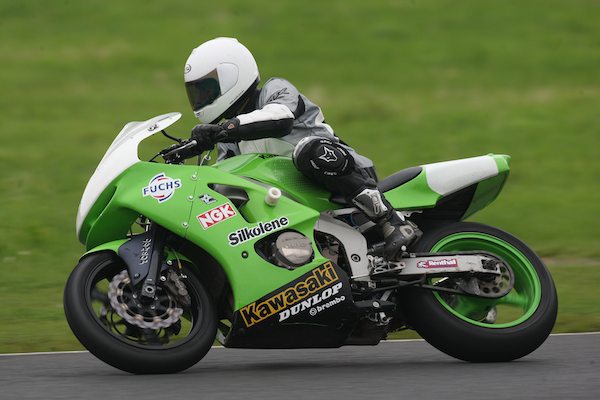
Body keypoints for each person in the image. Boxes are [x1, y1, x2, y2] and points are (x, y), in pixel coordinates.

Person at [183, 37, 419, 260]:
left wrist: (226, 128)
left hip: (344, 176)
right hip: (298, 200)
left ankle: (391, 221)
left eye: (207, 89)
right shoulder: (227, 136)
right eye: (197, 92)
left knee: (308, 151)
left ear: (233, 75)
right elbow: (222, 180)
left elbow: (281, 117)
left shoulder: (274, 90)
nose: (202, 97)